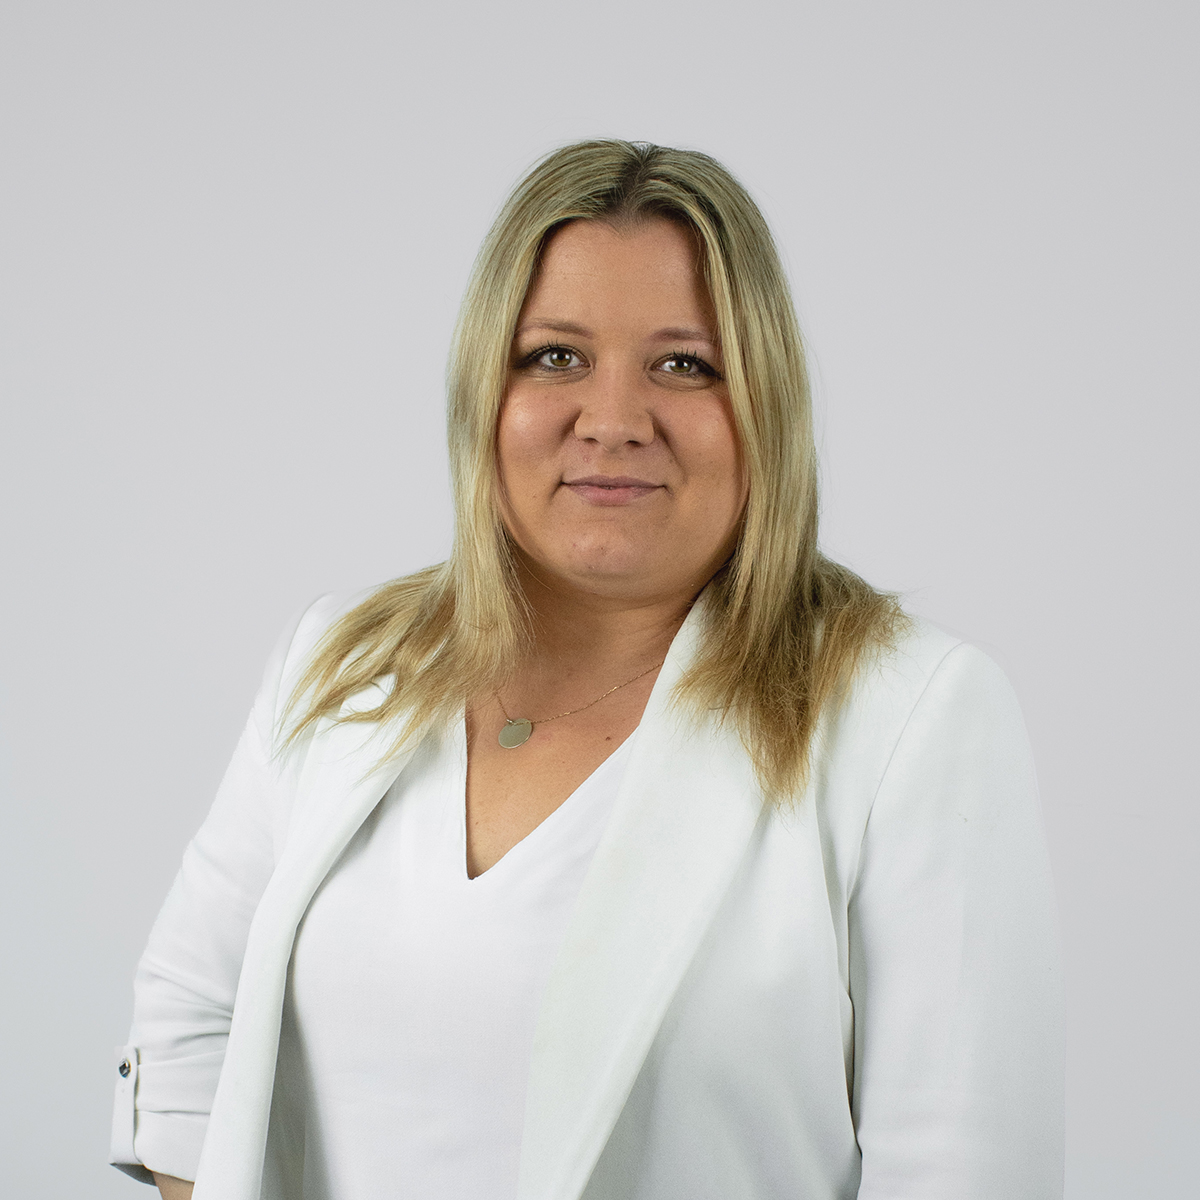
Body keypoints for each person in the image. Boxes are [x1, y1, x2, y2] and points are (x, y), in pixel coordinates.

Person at [110, 139, 1064, 1200]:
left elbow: (963, 1169)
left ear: (766, 403)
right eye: (556, 356)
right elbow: (188, 1028)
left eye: (685, 364)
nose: (612, 422)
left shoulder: (910, 718)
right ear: (485, 390)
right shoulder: (342, 663)